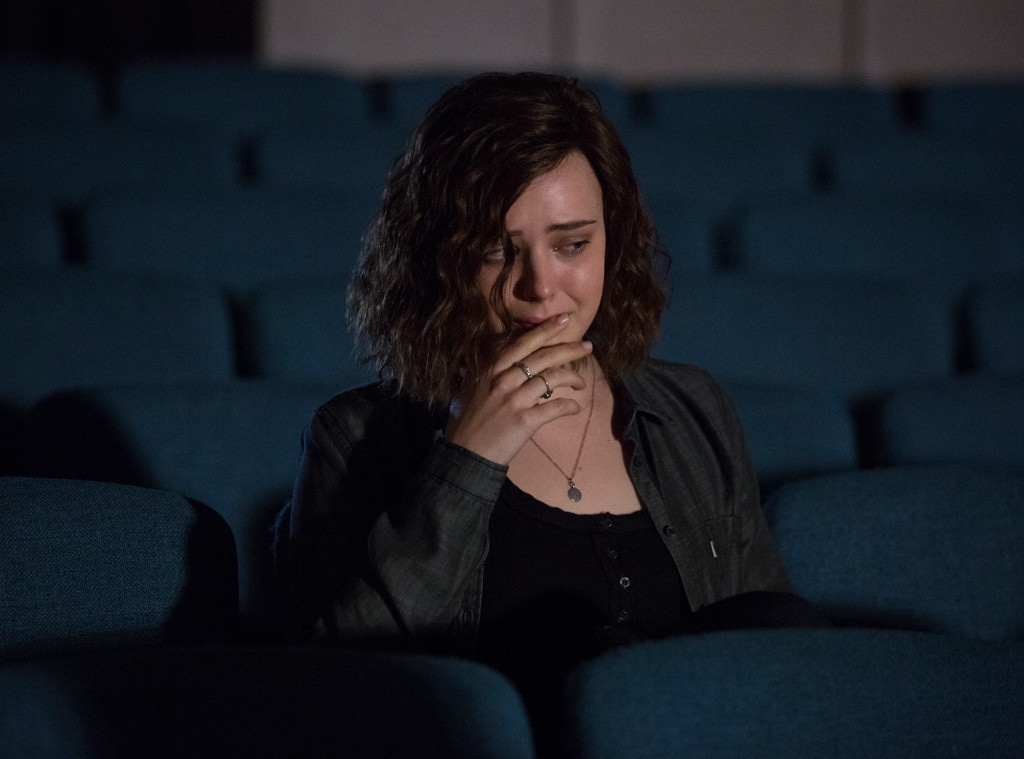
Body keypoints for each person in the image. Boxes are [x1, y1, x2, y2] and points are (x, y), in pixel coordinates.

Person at [275, 71, 827, 742]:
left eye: (572, 244)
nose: (539, 286)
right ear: (438, 259)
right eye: (495, 250)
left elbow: (778, 659)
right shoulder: (356, 436)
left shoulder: (695, 409)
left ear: (613, 242)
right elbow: (328, 692)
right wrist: (467, 460)